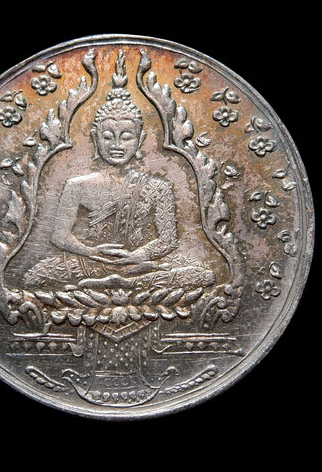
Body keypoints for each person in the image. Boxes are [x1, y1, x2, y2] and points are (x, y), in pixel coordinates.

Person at [24, 52, 214, 292]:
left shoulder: (159, 187)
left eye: (126, 136)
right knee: (35, 277)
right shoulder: (76, 185)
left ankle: (121, 282)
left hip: (141, 264)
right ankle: (128, 284)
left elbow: (168, 240)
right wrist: (91, 252)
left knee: (203, 275)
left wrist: (136, 256)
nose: (116, 145)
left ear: (140, 140)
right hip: (92, 263)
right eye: (107, 136)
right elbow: (59, 237)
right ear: (95, 138)